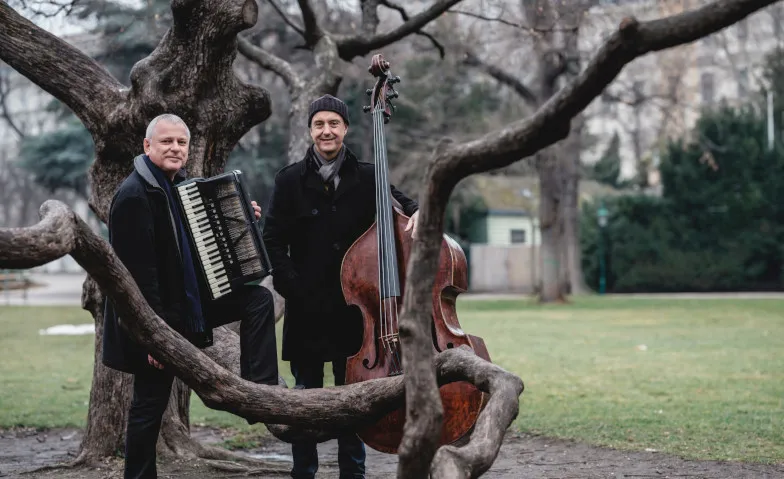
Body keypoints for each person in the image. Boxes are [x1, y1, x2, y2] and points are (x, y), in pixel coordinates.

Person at [102, 113, 279, 479]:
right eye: (166, 141)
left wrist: (241, 215)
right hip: (152, 320)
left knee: (258, 300)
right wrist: (154, 338)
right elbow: (136, 280)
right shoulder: (134, 196)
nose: (175, 148)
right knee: (149, 406)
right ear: (147, 146)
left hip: (187, 306)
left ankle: (259, 391)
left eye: (181, 142)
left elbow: (201, 244)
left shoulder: (181, 188)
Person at [263, 94, 419, 479]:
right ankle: (304, 472)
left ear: (345, 128)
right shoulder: (288, 180)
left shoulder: (369, 176)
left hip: (355, 312)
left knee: (353, 399)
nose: (326, 130)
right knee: (305, 399)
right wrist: (292, 287)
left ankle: (353, 472)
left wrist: (420, 212)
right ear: (310, 130)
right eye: (319, 124)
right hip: (306, 308)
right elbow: (273, 241)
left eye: (333, 123)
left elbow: (405, 205)